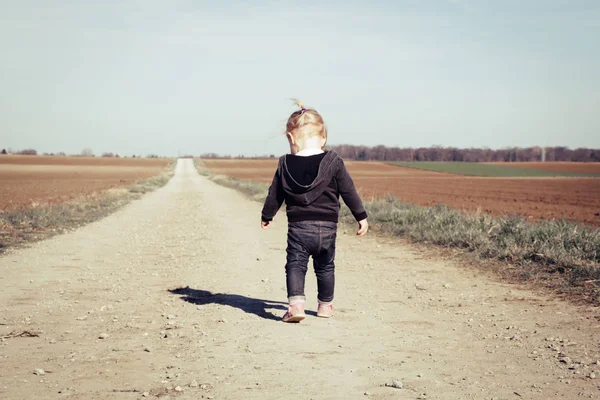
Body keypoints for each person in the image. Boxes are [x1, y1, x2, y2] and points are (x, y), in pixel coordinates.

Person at [261, 100, 369, 323]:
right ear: (324, 138)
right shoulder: (334, 162)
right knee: (326, 266)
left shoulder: (285, 164)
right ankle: (325, 306)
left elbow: (275, 194)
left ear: (291, 139)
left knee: (296, 264)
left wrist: (267, 214)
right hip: (328, 227)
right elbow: (348, 190)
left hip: (299, 228)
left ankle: (296, 305)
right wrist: (361, 216)